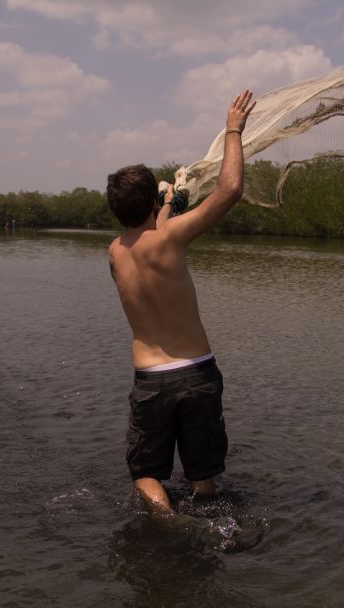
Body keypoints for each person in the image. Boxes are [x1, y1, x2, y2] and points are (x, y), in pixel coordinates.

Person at [107, 90, 256, 517]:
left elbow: (148, 234)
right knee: (202, 475)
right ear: (153, 205)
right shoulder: (169, 239)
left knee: (146, 473)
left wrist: (167, 200)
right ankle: (208, 519)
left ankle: (167, 520)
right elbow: (229, 190)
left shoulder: (115, 252)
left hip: (150, 378)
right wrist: (233, 128)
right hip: (196, 374)